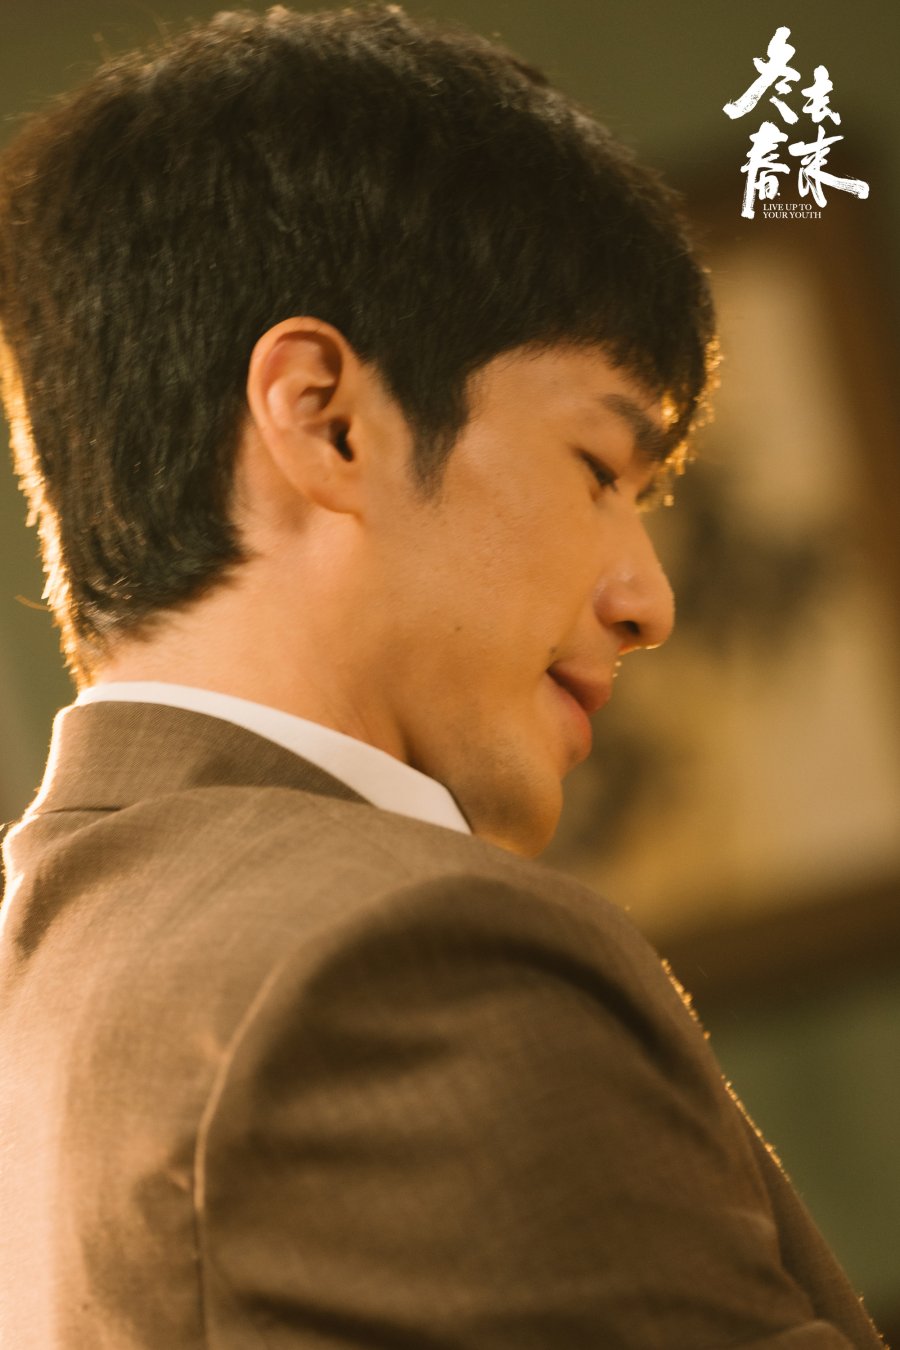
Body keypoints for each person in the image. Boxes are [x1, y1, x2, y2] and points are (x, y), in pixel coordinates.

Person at [0, 6, 884, 1346]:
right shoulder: (397, 961)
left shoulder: (56, 971)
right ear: (326, 420)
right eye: (598, 467)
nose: (647, 600)